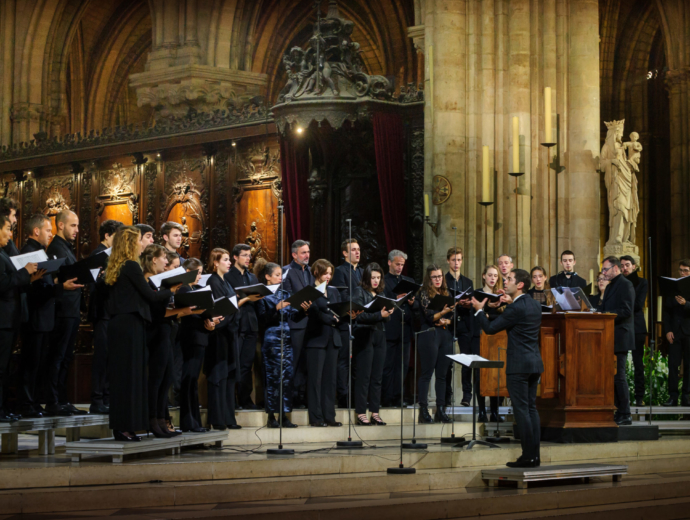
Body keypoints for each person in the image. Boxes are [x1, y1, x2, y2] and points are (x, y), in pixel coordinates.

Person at [104, 226, 182, 441]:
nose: (143, 244)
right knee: (128, 378)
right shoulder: (131, 265)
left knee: (126, 378)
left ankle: (125, 427)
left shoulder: (118, 265)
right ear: (130, 244)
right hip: (129, 324)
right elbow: (150, 296)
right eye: (140, 240)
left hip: (123, 324)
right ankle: (123, 428)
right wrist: (172, 289)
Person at [472, 269, 543, 468]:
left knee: (521, 410)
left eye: (509, 279)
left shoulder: (515, 309)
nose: (505, 281)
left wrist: (479, 309)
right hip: (535, 363)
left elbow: (490, 329)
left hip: (518, 365)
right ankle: (534, 455)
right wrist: (509, 303)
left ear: (520, 284)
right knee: (531, 409)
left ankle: (528, 457)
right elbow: (521, 314)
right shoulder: (535, 305)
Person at [17, 214, 82, 418]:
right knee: (31, 363)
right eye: (47, 230)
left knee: (39, 362)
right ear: (36, 231)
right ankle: (27, 404)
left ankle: (35, 403)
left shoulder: (39, 252)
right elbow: (34, 289)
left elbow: (43, 285)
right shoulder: (29, 253)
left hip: (45, 316)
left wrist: (54, 285)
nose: (50, 233)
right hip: (35, 316)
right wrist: (59, 286)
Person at [141, 244, 197, 437]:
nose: (166, 262)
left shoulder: (159, 282)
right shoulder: (147, 282)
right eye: (164, 258)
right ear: (153, 259)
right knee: (156, 379)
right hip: (155, 333)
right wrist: (182, 311)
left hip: (165, 332)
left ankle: (160, 420)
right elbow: (156, 312)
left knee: (166, 378)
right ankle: (153, 420)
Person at [206, 248, 259, 430]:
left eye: (229, 260)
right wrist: (243, 300)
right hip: (219, 334)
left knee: (229, 377)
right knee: (219, 376)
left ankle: (229, 418)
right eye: (226, 260)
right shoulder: (213, 281)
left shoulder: (225, 281)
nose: (229, 263)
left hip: (231, 333)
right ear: (215, 262)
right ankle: (218, 418)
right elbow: (222, 306)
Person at [255, 258, 310, 429]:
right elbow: (262, 319)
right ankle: (271, 416)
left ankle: (284, 415)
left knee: (287, 377)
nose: (280, 278)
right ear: (268, 277)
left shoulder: (286, 294)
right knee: (272, 377)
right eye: (277, 275)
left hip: (286, 339)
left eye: (281, 275)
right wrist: (275, 308)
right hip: (271, 339)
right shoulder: (262, 295)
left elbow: (293, 316)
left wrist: (303, 310)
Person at [46, 210, 86, 416]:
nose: (77, 230)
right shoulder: (55, 247)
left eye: (78, 226)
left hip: (71, 309)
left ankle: (62, 399)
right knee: (58, 357)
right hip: (61, 310)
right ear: (60, 225)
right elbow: (51, 280)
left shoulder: (66, 248)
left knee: (66, 357)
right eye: (73, 225)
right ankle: (53, 401)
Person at [0, 213, 39, 422]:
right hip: (3, 319)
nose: (10, 234)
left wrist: (28, 277)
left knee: (5, 367)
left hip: (9, 319)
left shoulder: (3, 252)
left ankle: (4, 408)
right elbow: (3, 283)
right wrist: (24, 272)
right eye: (7, 228)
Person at [177, 257, 220, 432]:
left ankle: (194, 422)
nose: (200, 277)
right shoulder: (184, 289)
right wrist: (206, 319)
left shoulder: (193, 288)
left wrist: (211, 320)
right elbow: (189, 314)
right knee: (188, 380)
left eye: (202, 273)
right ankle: (189, 423)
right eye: (198, 273)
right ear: (188, 272)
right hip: (191, 338)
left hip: (199, 338)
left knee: (192, 380)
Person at [414, 264, 456, 424]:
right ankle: (423, 410)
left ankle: (440, 410)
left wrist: (447, 319)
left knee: (442, 376)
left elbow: (452, 315)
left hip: (445, 334)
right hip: (429, 334)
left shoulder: (446, 292)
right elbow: (429, 317)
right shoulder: (424, 293)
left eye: (440, 276)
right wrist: (443, 313)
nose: (438, 279)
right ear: (429, 278)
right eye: (434, 277)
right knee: (426, 374)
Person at [89, 219, 122, 414]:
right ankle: (97, 400)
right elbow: (95, 284)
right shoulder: (98, 255)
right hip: (102, 312)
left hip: (111, 312)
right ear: (107, 236)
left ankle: (107, 398)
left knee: (111, 357)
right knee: (102, 357)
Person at [352, 263, 391, 425]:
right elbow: (358, 316)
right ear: (367, 278)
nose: (375, 281)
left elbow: (384, 318)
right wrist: (379, 314)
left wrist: (388, 313)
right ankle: (361, 412)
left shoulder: (380, 294)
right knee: (364, 376)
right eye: (373, 277)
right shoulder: (359, 292)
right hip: (364, 335)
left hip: (379, 335)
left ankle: (375, 411)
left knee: (377, 376)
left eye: (378, 277)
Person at [599, 256, 635, 425]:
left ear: (615, 268)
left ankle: (625, 413)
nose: (603, 273)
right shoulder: (611, 285)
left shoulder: (625, 284)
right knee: (611, 376)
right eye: (603, 270)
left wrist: (606, 315)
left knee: (619, 376)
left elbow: (627, 310)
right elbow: (604, 308)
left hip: (620, 336)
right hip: (609, 336)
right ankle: (618, 410)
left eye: (605, 269)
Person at [225, 243, 262, 410]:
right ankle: (231, 401)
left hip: (251, 325)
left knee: (247, 365)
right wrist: (246, 297)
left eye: (249, 256)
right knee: (235, 364)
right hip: (236, 324)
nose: (248, 258)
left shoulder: (252, 277)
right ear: (235, 257)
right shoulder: (228, 276)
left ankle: (245, 399)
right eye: (245, 255)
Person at [281, 240, 314, 407]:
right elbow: (284, 299)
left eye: (308, 252)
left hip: (310, 323)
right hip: (295, 324)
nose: (307, 255)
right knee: (293, 362)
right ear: (294, 255)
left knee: (306, 363)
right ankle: (290, 398)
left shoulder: (310, 272)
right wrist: (299, 307)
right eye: (303, 253)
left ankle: (302, 396)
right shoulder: (286, 272)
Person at [382, 249, 415, 408]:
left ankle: (398, 397)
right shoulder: (383, 281)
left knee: (402, 366)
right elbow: (380, 301)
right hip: (389, 328)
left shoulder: (407, 281)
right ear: (389, 262)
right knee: (388, 366)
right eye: (397, 264)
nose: (400, 267)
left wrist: (411, 302)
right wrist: (395, 298)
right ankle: (386, 398)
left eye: (402, 265)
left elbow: (414, 307)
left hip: (405, 329)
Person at [332, 238, 363, 408]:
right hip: (346, 321)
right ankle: (343, 396)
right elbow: (341, 296)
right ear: (345, 253)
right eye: (353, 250)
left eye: (358, 249)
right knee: (344, 361)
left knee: (358, 362)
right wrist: (352, 308)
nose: (357, 252)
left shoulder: (363, 272)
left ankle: (356, 396)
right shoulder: (340, 271)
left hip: (361, 323)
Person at [444, 247, 473, 407]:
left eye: (459, 260)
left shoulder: (467, 282)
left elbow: (473, 300)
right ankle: (447, 395)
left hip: (464, 323)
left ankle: (466, 396)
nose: (457, 263)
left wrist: (468, 304)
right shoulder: (443, 280)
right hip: (449, 323)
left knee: (466, 360)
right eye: (454, 260)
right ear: (448, 260)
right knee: (448, 361)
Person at [476, 265, 505, 423]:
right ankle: (481, 411)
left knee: (495, 375)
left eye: (495, 275)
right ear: (484, 276)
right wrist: (486, 311)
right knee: (480, 375)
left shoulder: (500, 295)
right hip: (480, 338)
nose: (493, 278)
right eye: (490, 275)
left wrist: (487, 314)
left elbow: (502, 317)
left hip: (496, 339)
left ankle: (494, 411)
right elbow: (476, 315)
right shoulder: (478, 294)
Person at [662, 259, 690, 407]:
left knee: (689, 366)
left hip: (689, 332)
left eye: (686, 270)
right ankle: (673, 397)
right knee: (673, 365)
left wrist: (686, 304)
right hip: (675, 332)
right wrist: (667, 330)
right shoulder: (672, 289)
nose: (683, 273)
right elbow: (666, 312)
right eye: (681, 270)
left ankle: (687, 397)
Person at [621, 255, 648, 406]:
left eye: (627, 265)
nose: (624, 268)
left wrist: (623, 307)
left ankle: (639, 397)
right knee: (620, 364)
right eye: (622, 265)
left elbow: (638, 304)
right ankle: (621, 398)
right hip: (622, 327)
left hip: (637, 327)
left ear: (634, 266)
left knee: (638, 364)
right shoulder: (618, 283)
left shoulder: (642, 282)